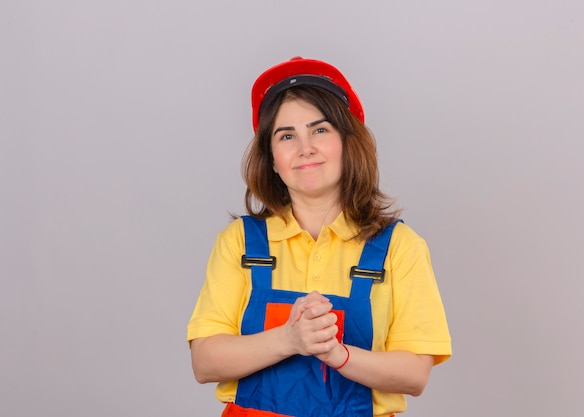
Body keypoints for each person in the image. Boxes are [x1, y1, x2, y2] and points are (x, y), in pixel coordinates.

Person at [187, 56, 451, 417]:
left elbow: (414, 374)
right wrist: (289, 338)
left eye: (320, 130)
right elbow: (205, 362)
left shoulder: (399, 248)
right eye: (286, 136)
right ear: (272, 159)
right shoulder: (240, 243)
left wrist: (338, 354)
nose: (305, 148)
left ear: (348, 143)